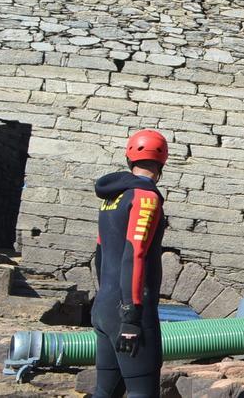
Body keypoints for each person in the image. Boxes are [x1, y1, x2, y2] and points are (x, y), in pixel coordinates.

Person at [92, 129, 169, 398]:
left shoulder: (111, 198)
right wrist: (131, 316)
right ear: (162, 162)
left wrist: (106, 301)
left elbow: (100, 254)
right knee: (142, 392)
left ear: (129, 158)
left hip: (103, 306)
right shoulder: (145, 198)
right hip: (130, 308)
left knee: (105, 391)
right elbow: (134, 254)